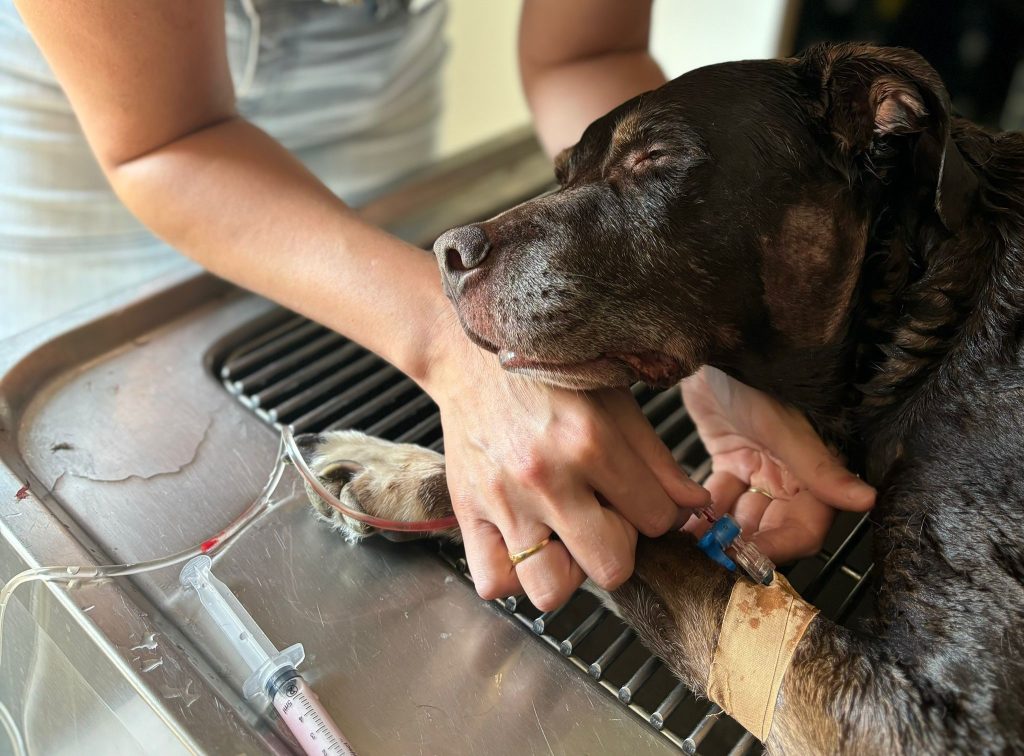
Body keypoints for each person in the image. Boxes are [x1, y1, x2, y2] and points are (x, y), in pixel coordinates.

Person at [6, 0, 875, 611]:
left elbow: (584, 56)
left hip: (385, 131)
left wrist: (698, 307)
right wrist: (453, 341)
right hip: (105, 170)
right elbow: (168, 140)